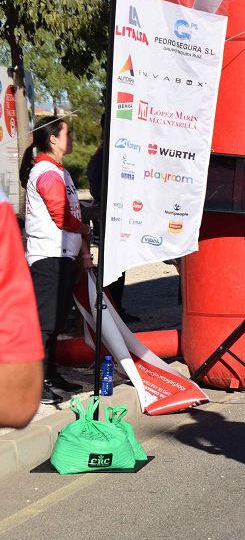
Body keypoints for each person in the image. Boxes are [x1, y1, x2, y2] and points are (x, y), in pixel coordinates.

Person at [20, 116, 91, 405]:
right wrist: (86, 227)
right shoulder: (47, 172)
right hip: (48, 256)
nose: (71, 138)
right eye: (67, 133)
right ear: (52, 139)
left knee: (56, 322)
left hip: (61, 255)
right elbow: (62, 216)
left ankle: (50, 376)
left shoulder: (58, 170)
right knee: (44, 324)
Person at [0, 187, 44, 428]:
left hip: (56, 252)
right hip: (47, 253)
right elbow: (17, 404)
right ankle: (51, 377)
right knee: (49, 323)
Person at [85, 142, 135, 322]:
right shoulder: (106, 152)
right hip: (110, 218)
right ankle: (111, 310)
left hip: (113, 216)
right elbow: (97, 187)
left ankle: (116, 308)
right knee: (112, 266)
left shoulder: (105, 151)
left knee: (117, 266)